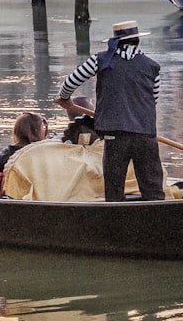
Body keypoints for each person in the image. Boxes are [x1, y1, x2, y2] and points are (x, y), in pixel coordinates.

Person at [55, 20, 164, 202]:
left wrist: (65, 99)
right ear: (137, 41)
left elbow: (70, 82)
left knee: (114, 190)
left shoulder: (100, 60)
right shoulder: (152, 66)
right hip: (145, 135)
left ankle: (116, 226)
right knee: (153, 189)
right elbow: (153, 101)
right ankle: (159, 224)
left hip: (115, 136)